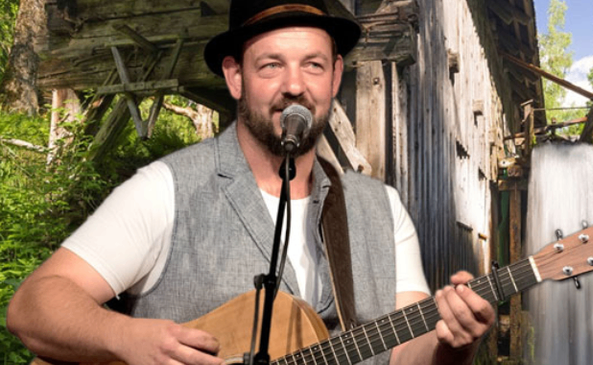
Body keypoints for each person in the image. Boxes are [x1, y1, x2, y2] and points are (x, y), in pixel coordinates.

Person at [6, 0, 495, 364]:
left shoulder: (381, 208)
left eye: (313, 64)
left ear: (334, 76)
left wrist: (455, 340)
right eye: (271, 65)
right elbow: (34, 306)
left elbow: (406, 352)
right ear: (236, 77)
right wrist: (126, 338)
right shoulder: (166, 189)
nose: (295, 85)